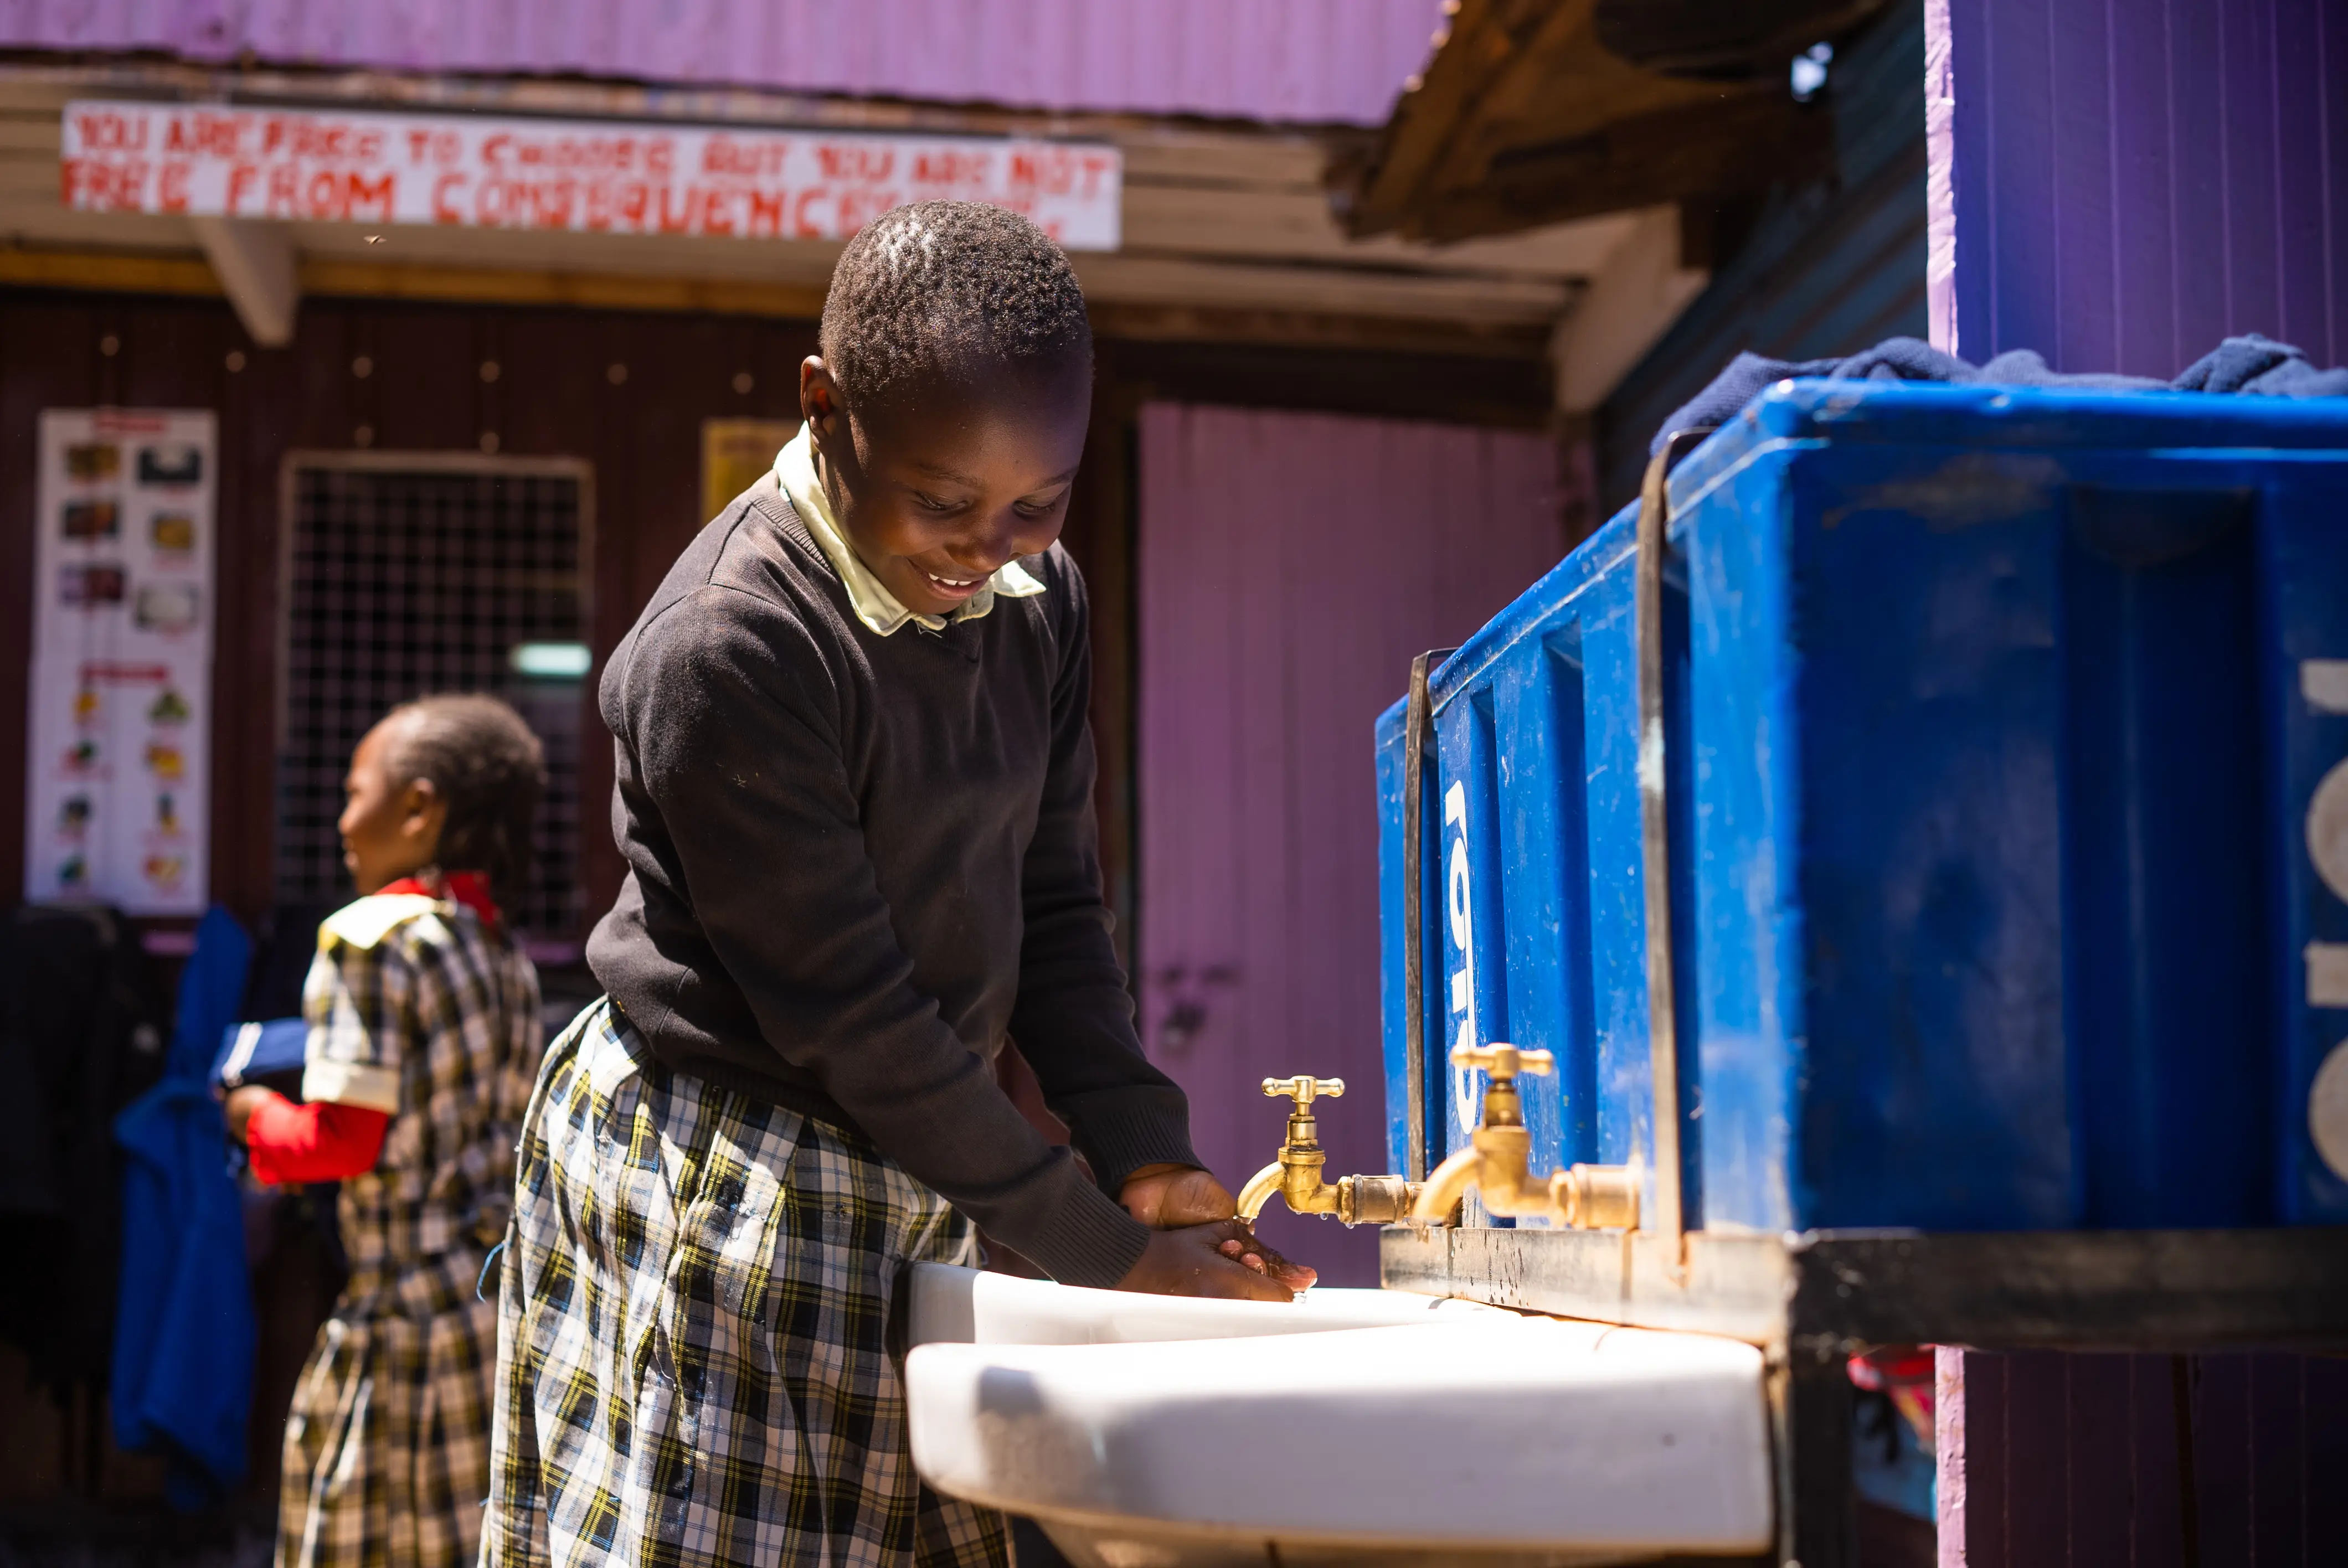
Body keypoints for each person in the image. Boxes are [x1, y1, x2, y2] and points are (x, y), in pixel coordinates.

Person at [481, 202, 1311, 1568]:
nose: (984, 546)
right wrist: (1096, 1250)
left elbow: (1053, 898)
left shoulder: (1038, 598)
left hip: (923, 1144)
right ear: (825, 407)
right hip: (731, 1160)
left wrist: (1140, 1147)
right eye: (941, 500)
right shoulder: (730, 645)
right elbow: (852, 1015)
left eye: (1035, 503)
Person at [225, 694, 547, 1568]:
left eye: (352, 792)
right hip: (491, 1318)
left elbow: (340, 1142)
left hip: (399, 1327)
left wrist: (251, 1116)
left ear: (418, 809)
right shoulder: (502, 952)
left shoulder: (368, 939)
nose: (340, 821)